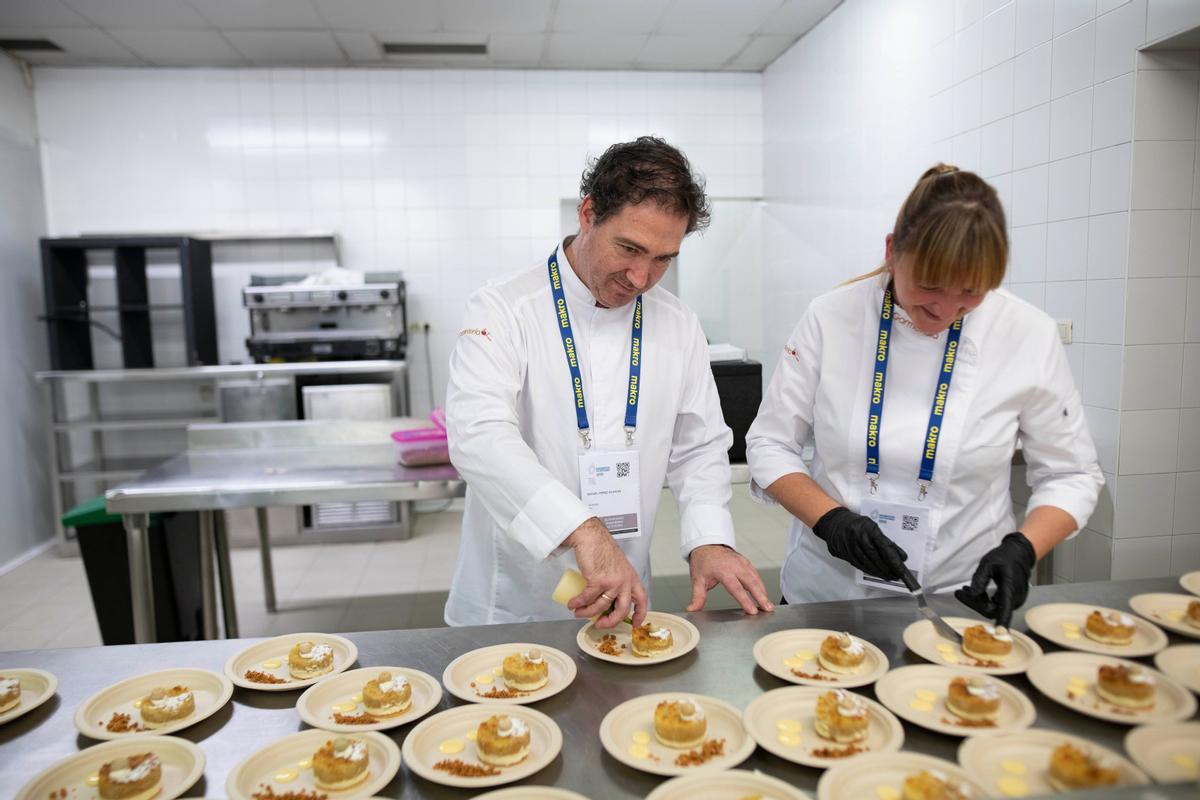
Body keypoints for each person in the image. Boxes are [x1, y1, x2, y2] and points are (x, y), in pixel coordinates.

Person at [745, 164, 1103, 627]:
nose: (945, 312)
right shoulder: (832, 317)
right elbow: (770, 444)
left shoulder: (1026, 333)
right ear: (893, 251)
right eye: (929, 290)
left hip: (962, 596)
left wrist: (1023, 547)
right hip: (828, 591)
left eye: (970, 295)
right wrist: (831, 521)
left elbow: (1072, 473)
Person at [443, 136, 772, 628]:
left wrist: (709, 538)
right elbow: (478, 436)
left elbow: (699, 446)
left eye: (664, 258)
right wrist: (582, 530)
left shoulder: (677, 323)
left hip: (622, 589)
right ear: (588, 213)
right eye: (629, 248)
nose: (641, 277)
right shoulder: (504, 308)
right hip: (511, 599)